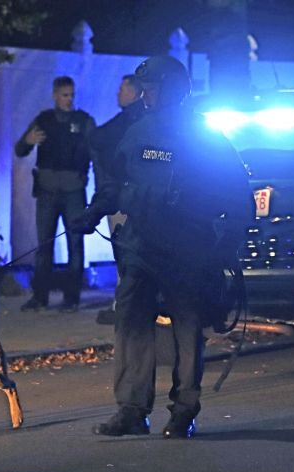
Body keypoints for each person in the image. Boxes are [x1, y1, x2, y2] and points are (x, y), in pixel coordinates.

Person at [71, 56, 253, 438]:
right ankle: (132, 410)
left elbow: (239, 198)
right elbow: (115, 183)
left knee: (187, 330)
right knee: (131, 322)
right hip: (140, 246)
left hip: (187, 249)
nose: (145, 95)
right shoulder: (138, 131)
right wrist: (91, 212)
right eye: (143, 88)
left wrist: (223, 249)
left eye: (151, 88)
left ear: (172, 89)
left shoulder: (205, 137)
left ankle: (184, 410)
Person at [14, 76, 96, 313]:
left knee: (75, 244)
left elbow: (96, 152)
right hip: (48, 191)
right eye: (64, 95)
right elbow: (20, 149)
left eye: (72, 95)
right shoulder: (44, 120)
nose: (69, 100)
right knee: (44, 246)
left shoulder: (84, 121)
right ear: (55, 95)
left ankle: (72, 298)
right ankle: (40, 297)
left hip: (73, 191)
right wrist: (28, 141)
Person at [89, 74, 145, 325]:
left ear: (135, 92)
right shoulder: (134, 119)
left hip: (125, 198)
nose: (118, 93)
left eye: (123, 88)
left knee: (126, 253)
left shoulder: (130, 121)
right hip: (127, 196)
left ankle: (126, 304)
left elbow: (99, 140)